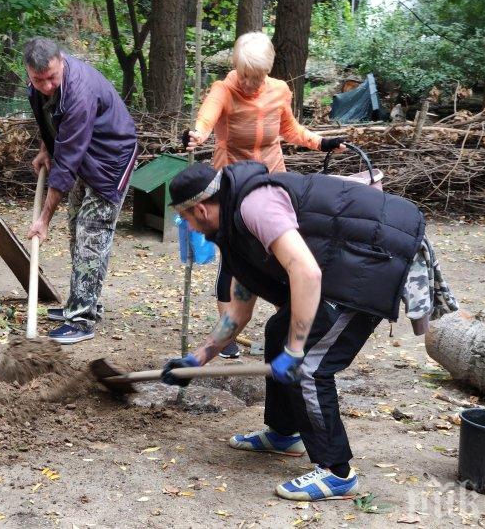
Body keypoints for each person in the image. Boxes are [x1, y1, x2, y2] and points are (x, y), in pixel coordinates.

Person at [160, 160, 456, 501]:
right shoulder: (230, 230)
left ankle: (337, 472)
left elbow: (307, 273)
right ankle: (285, 433)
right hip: (339, 263)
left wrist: (296, 349)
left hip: (374, 255)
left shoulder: (256, 206)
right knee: (277, 332)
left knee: (310, 366)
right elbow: (238, 313)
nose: (189, 227)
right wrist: (196, 360)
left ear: (199, 208)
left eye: (187, 219)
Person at [184, 32, 344, 359]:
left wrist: (321, 142)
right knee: (234, 255)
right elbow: (206, 119)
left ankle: (297, 320)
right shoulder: (224, 90)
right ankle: (227, 327)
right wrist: (197, 136)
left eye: (257, 76)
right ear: (236, 68)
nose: (249, 82)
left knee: (282, 252)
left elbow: (290, 130)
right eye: (244, 74)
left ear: (267, 70)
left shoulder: (279, 91)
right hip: (231, 186)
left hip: (272, 181)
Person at [24, 37, 138, 344]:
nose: (46, 86)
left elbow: (67, 164)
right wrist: (45, 148)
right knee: (77, 227)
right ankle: (83, 300)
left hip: (110, 158)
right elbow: (50, 119)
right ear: (29, 72)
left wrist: (44, 219)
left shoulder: (79, 92)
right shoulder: (39, 83)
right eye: (38, 80)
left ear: (62, 61)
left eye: (51, 78)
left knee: (92, 232)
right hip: (84, 153)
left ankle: (82, 318)